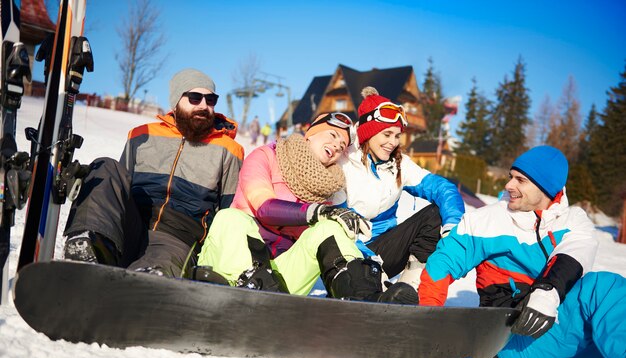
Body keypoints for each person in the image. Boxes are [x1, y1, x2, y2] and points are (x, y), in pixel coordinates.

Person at [418, 145, 626, 358]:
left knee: (610, 295)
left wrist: (546, 295)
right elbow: (442, 264)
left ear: (545, 187)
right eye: (511, 177)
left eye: (521, 180)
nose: (509, 185)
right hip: (513, 331)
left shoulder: (574, 221)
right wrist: (428, 318)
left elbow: (573, 255)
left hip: (564, 330)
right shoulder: (489, 220)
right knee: (604, 287)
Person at [197, 112, 417, 303]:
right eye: (332, 135)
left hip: (277, 281)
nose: (337, 145)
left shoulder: (326, 192)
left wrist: (329, 217)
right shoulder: (265, 156)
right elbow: (264, 208)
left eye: (342, 146)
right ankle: (250, 290)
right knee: (231, 218)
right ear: (310, 134)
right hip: (232, 269)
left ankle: (362, 297)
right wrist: (317, 213)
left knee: (329, 230)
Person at [63, 68, 244, 277]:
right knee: (105, 166)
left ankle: (147, 283)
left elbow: (229, 213)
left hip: (178, 237)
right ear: (176, 101)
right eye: (195, 98)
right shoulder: (142, 135)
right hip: (130, 224)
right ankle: (90, 244)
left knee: (152, 271)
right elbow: (118, 188)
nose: (204, 106)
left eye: (211, 100)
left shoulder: (229, 150)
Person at [334, 87, 465, 292]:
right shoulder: (343, 162)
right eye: (387, 134)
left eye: (397, 136)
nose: (393, 143)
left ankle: (409, 289)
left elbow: (443, 188)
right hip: (346, 254)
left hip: (384, 251)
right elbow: (337, 226)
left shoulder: (398, 164)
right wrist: (370, 261)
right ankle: (363, 285)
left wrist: (452, 226)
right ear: (369, 132)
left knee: (435, 214)